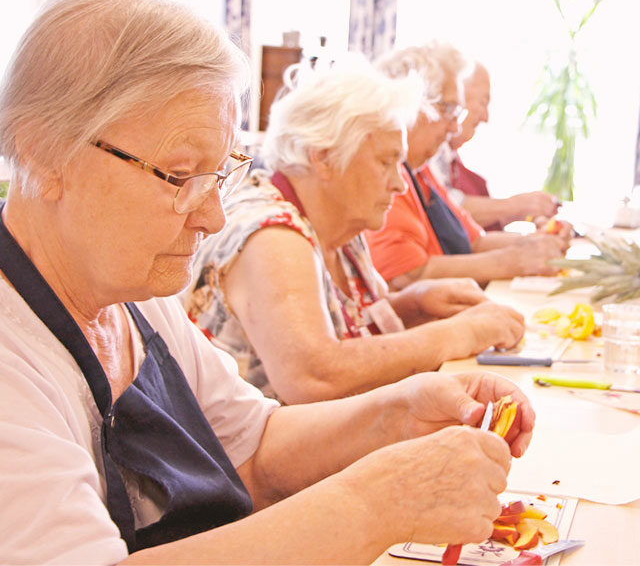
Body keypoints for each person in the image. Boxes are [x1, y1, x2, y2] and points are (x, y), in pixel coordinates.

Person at [0, 0, 535, 565]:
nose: (210, 217)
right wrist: (380, 501)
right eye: (179, 177)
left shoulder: (127, 289)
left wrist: (399, 412)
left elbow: (252, 447)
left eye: (220, 173)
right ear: (44, 153)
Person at [185, 56, 525, 404]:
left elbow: (340, 323)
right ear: (324, 158)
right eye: (385, 162)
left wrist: (415, 304)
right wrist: (458, 333)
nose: (400, 184)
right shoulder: (271, 234)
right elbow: (315, 376)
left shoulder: (338, 225)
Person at [365, 42, 572, 290]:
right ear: (412, 106)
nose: (455, 127)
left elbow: (474, 241)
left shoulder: (421, 171)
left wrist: (535, 244)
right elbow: (406, 275)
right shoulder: (387, 178)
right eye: (449, 110)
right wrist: (514, 261)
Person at [430, 61, 561, 231]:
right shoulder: (428, 158)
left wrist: (529, 213)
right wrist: (514, 206)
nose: (486, 117)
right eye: (483, 103)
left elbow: (472, 230)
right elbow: (443, 209)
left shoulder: (451, 157)